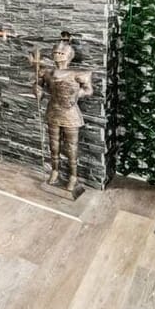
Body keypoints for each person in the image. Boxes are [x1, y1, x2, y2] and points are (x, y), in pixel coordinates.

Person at [34, 32, 92, 192]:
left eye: (61, 53)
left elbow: (88, 90)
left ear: (68, 55)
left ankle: (73, 176)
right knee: (54, 144)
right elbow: (39, 86)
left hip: (70, 112)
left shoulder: (79, 74)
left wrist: (76, 95)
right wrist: (37, 90)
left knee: (71, 147)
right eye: (56, 52)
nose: (57, 55)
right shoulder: (47, 72)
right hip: (53, 110)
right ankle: (55, 171)